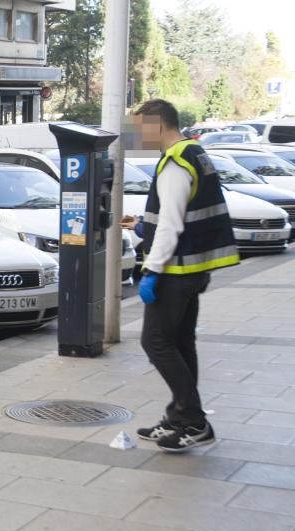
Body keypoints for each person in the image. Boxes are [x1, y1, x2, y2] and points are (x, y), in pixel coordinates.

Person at [132, 99, 240, 452]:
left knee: (156, 342)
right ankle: (179, 417)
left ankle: (193, 420)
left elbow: (171, 224)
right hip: (194, 268)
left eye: (140, 128)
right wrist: (140, 225)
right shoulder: (196, 153)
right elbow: (184, 213)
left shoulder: (175, 163)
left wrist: (151, 271)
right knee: (180, 342)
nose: (138, 136)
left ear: (157, 125)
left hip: (175, 271)